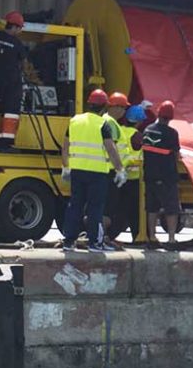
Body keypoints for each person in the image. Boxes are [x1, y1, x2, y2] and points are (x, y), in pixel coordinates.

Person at [60, 89, 124, 252]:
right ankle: (95, 243)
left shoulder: (75, 121)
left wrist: (66, 166)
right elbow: (111, 149)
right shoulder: (102, 124)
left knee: (75, 205)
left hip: (77, 170)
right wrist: (119, 169)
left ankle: (69, 241)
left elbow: (65, 146)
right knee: (95, 208)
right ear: (104, 107)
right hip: (97, 173)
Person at [141, 100, 181, 248]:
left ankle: (152, 237)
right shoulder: (172, 133)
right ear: (171, 117)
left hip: (150, 175)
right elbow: (176, 155)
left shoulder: (147, 129)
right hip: (167, 177)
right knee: (171, 208)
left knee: (152, 208)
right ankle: (171, 239)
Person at [0, 11, 28, 152]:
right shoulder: (17, 44)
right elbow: (25, 65)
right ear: (16, 27)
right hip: (13, 83)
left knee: (2, 110)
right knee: (11, 113)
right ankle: (4, 143)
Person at [108, 95, 144, 243]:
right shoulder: (137, 135)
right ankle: (138, 237)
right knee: (134, 212)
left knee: (118, 209)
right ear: (140, 121)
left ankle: (109, 235)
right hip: (133, 179)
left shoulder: (120, 129)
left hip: (118, 175)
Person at [103, 92, 135, 247]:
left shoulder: (106, 121)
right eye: (122, 107)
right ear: (113, 107)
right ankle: (101, 238)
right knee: (108, 208)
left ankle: (101, 237)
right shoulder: (110, 123)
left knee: (106, 207)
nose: (123, 111)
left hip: (106, 170)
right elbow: (112, 148)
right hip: (111, 171)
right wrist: (120, 169)